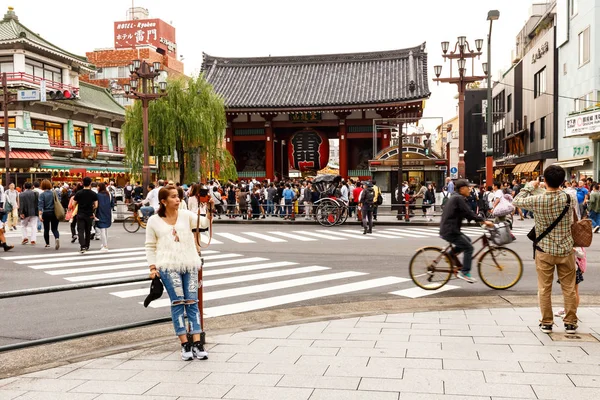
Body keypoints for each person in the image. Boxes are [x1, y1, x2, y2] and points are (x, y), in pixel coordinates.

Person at [145, 186, 208, 361]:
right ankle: (184, 344)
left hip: (190, 263)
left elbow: (203, 223)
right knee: (178, 303)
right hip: (167, 265)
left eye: (178, 196)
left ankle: (197, 342)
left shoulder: (186, 215)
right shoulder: (153, 221)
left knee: (192, 301)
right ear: (163, 201)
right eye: (173, 197)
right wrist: (152, 267)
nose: (178, 199)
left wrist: (207, 206)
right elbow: (149, 246)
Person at [513, 166, 578, 334]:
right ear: (563, 181)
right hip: (566, 249)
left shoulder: (538, 200)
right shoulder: (569, 198)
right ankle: (570, 322)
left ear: (545, 180)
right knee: (569, 287)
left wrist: (530, 187)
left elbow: (517, 200)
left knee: (544, 288)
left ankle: (547, 322)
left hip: (544, 250)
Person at [439, 179, 494, 283]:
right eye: (468, 187)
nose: (470, 189)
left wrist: (475, 219)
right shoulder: (458, 198)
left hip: (449, 228)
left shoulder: (456, 197)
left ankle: (450, 255)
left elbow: (465, 213)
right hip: (450, 230)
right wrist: (483, 221)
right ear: (462, 189)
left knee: (467, 240)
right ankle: (464, 272)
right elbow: (468, 213)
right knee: (469, 248)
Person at [73, 177, 98, 254]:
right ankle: (87, 245)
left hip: (80, 214)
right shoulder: (93, 194)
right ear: (90, 183)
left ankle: (82, 246)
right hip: (89, 214)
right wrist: (91, 208)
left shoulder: (79, 193)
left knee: (80, 230)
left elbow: (74, 203)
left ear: (83, 183)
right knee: (88, 230)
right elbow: (96, 205)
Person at [38, 179, 60, 249]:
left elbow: (40, 205)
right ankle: (57, 238)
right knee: (55, 228)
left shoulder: (42, 195)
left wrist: (40, 214)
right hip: (55, 212)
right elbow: (59, 202)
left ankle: (47, 243)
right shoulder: (54, 193)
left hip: (46, 213)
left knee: (46, 229)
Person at [96, 182, 114, 252]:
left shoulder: (98, 195)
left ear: (100, 187)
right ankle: (104, 243)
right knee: (105, 229)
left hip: (100, 213)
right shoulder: (109, 194)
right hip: (108, 213)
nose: (97, 188)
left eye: (98, 186)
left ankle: (105, 246)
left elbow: (96, 205)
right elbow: (112, 204)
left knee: (102, 230)